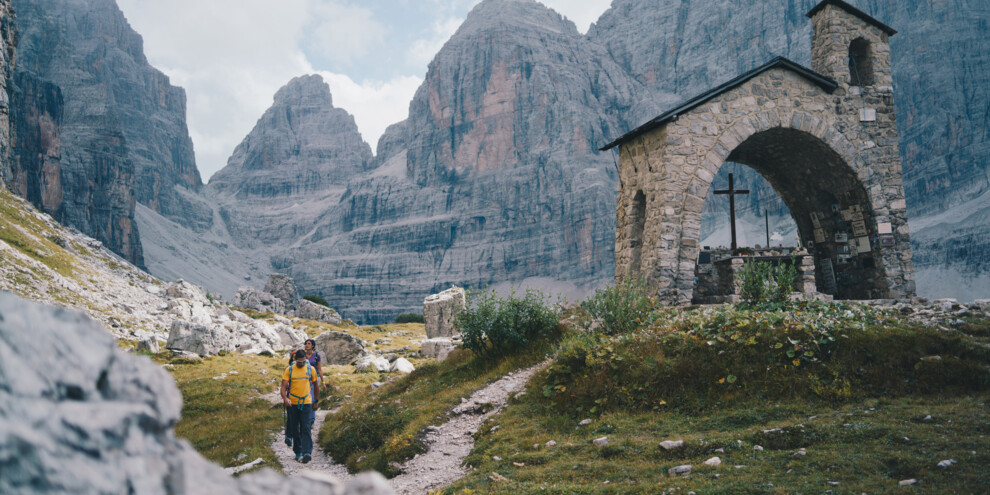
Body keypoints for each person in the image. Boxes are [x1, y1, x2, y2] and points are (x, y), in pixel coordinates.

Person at [281, 349, 319, 463]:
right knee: (295, 428)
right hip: (293, 403)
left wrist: (316, 400)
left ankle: (307, 452)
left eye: (303, 362)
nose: (301, 364)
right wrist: (285, 398)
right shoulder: (289, 370)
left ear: (305, 360)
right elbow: (283, 388)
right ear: (295, 360)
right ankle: (298, 452)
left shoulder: (310, 369)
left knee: (306, 427)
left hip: (306, 402)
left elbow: (316, 385)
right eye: (299, 362)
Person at [303, 339, 323, 424]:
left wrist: (323, 381)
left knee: (313, 399)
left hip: (314, 380)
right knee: (305, 399)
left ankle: (311, 419)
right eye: (306, 344)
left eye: (308, 344)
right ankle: (305, 418)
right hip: (304, 380)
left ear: (312, 346)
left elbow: (319, 369)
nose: (306, 345)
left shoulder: (316, 356)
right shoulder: (302, 355)